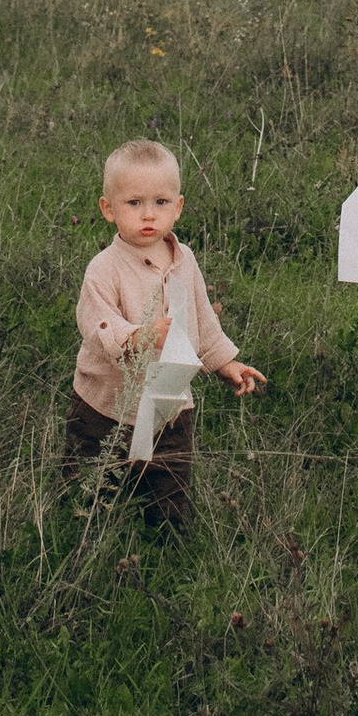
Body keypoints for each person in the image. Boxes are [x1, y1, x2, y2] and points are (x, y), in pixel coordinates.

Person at [65, 137, 267, 528]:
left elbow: (201, 319)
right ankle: (85, 533)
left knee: (168, 482)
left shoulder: (184, 259)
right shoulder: (104, 269)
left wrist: (224, 362)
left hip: (169, 404)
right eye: (134, 203)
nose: (148, 215)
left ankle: (166, 546)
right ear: (108, 209)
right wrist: (139, 338)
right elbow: (98, 326)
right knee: (92, 484)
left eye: (160, 203)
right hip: (105, 406)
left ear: (178, 208)